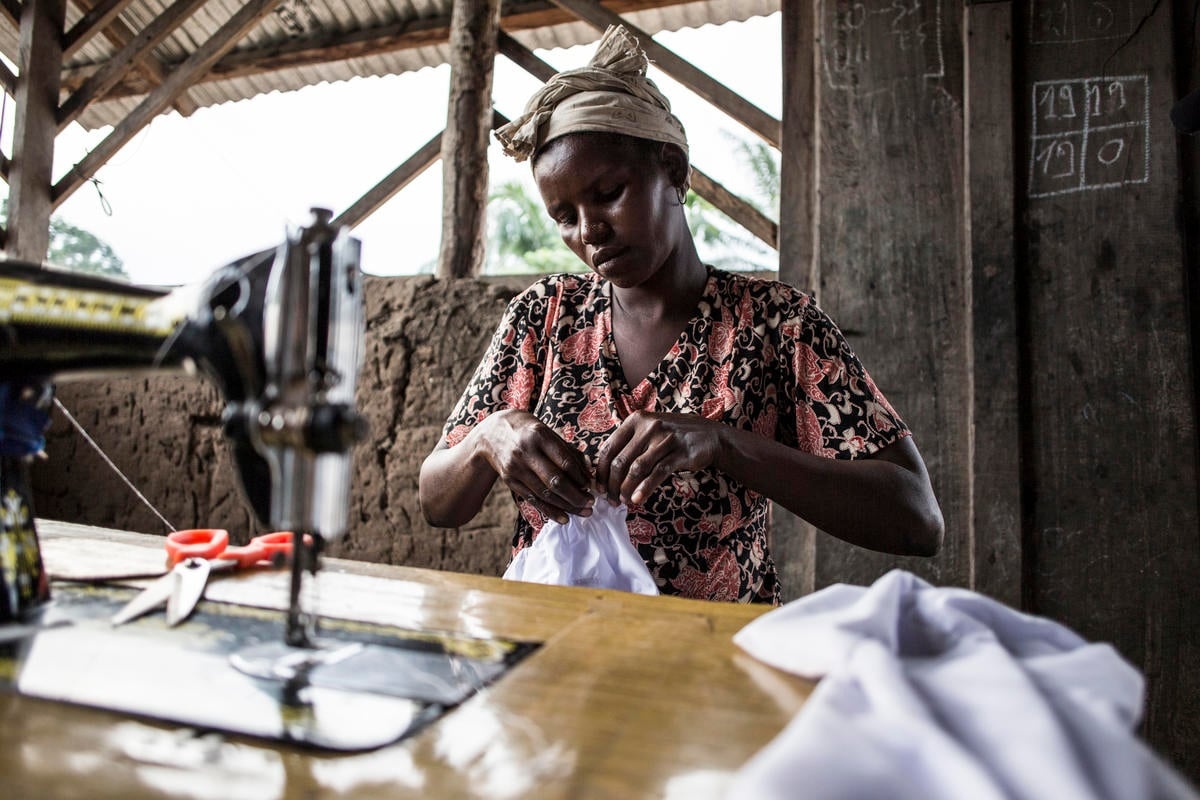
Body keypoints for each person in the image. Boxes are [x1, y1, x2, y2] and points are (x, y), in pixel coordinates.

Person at [419, 25, 943, 603]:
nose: (589, 231)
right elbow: (438, 503)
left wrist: (724, 445)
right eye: (564, 216)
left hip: (715, 664)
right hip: (554, 659)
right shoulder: (544, 318)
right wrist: (489, 438)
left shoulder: (775, 324)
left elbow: (916, 519)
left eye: (609, 192)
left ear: (672, 169)